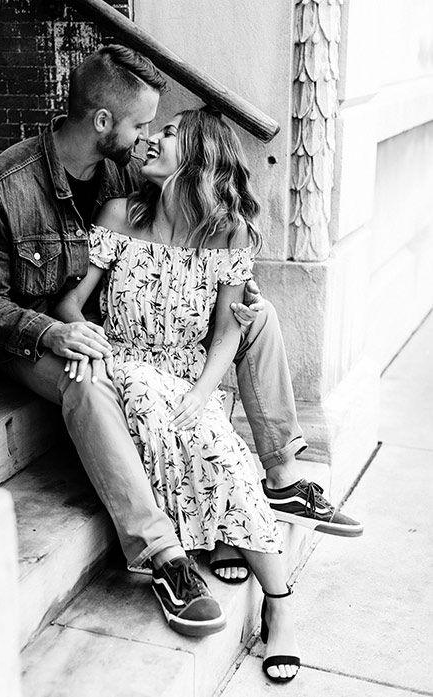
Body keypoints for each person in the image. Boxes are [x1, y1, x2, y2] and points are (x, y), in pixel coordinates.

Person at [0, 43, 360, 639]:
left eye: (160, 131)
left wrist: (233, 296)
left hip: (132, 327)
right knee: (94, 379)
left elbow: (186, 228)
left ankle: (282, 476)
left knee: (257, 315)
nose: (148, 139)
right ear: (103, 122)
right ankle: (164, 554)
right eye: (141, 126)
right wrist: (57, 329)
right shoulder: (11, 182)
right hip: (38, 340)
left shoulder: (127, 169)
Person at [54, 107, 302, 682]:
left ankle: (281, 606)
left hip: (190, 377)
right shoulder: (119, 214)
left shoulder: (230, 234)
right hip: (127, 368)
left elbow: (227, 331)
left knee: (219, 447)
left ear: (197, 156)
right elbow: (70, 302)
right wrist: (84, 335)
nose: (151, 140)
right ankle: (211, 543)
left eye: (168, 133)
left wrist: (202, 393)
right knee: (170, 416)